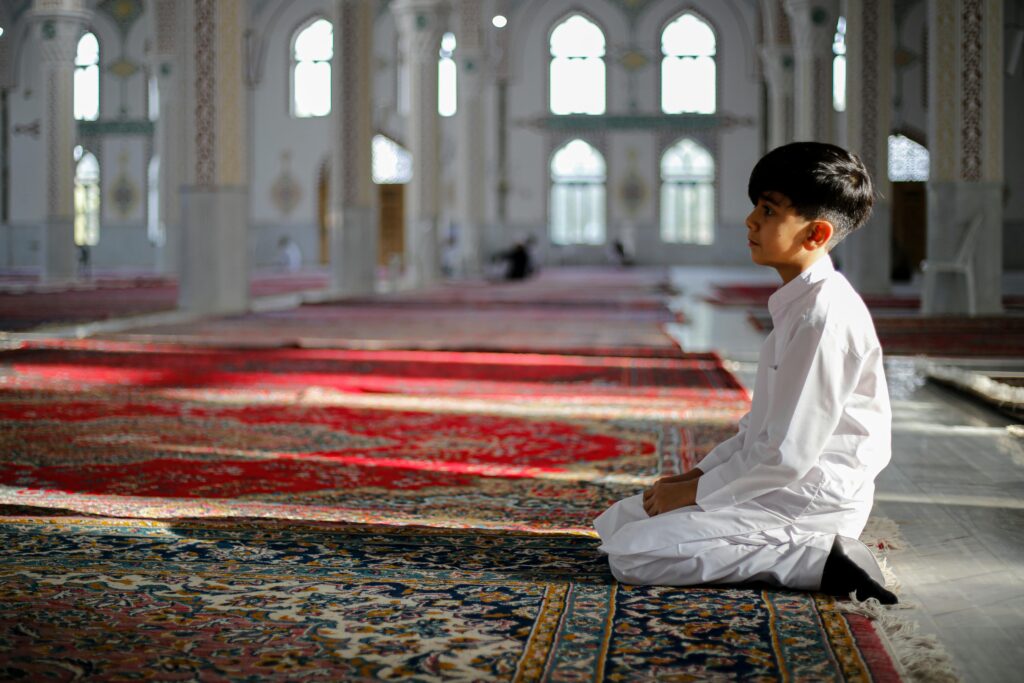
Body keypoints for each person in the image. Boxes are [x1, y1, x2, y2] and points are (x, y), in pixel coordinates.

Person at [595, 142, 897, 604]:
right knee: (621, 521)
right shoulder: (798, 304)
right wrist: (693, 478)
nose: (750, 221)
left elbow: (787, 457)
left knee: (634, 557)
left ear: (815, 234)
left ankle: (819, 558)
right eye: (756, 206)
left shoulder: (824, 318)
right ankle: (781, 545)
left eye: (768, 210)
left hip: (809, 500)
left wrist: (699, 494)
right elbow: (758, 431)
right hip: (778, 484)